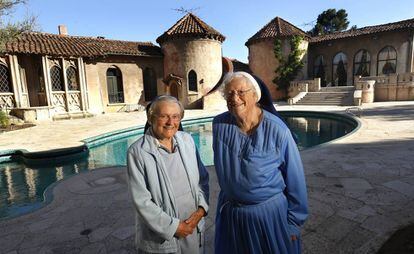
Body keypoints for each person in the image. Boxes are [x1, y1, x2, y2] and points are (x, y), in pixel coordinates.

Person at [213, 72, 308, 254]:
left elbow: (295, 179)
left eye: (241, 92)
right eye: (229, 94)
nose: (235, 98)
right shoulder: (219, 125)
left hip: (268, 218)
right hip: (232, 217)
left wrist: (294, 222)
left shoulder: (278, 130)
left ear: (255, 96)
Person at [127, 95, 209, 254]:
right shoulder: (137, 152)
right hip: (162, 236)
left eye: (175, 116)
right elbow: (141, 201)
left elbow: (202, 179)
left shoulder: (187, 141)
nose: (170, 122)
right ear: (151, 118)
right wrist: (174, 227)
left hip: (192, 227)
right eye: (164, 116)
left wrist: (201, 210)